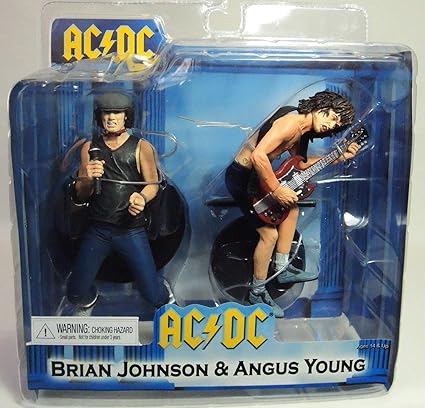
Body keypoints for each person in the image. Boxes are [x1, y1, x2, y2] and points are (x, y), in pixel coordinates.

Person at [225, 91, 360, 318]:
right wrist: (277, 190)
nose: (331, 125)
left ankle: (281, 268)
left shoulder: (303, 132)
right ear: (322, 106)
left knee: (292, 211)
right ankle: (257, 292)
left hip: (258, 178)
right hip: (242, 179)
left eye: (337, 124)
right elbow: (259, 156)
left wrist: (338, 157)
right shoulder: (290, 124)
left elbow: (300, 165)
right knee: (269, 236)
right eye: (332, 116)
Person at [67, 91, 172, 311]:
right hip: (98, 229)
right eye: (106, 113)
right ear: (99, 116)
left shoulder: (141, 147)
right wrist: (86, 177)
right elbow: (81, 195)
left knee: (153, 294)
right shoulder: (90, 148)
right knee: (76, 291)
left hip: (131, 230)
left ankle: (164, 300)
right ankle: (88, 301)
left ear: (127, 116)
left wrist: (142, 198)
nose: (111, 117)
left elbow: (153, 184)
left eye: (117, 112)